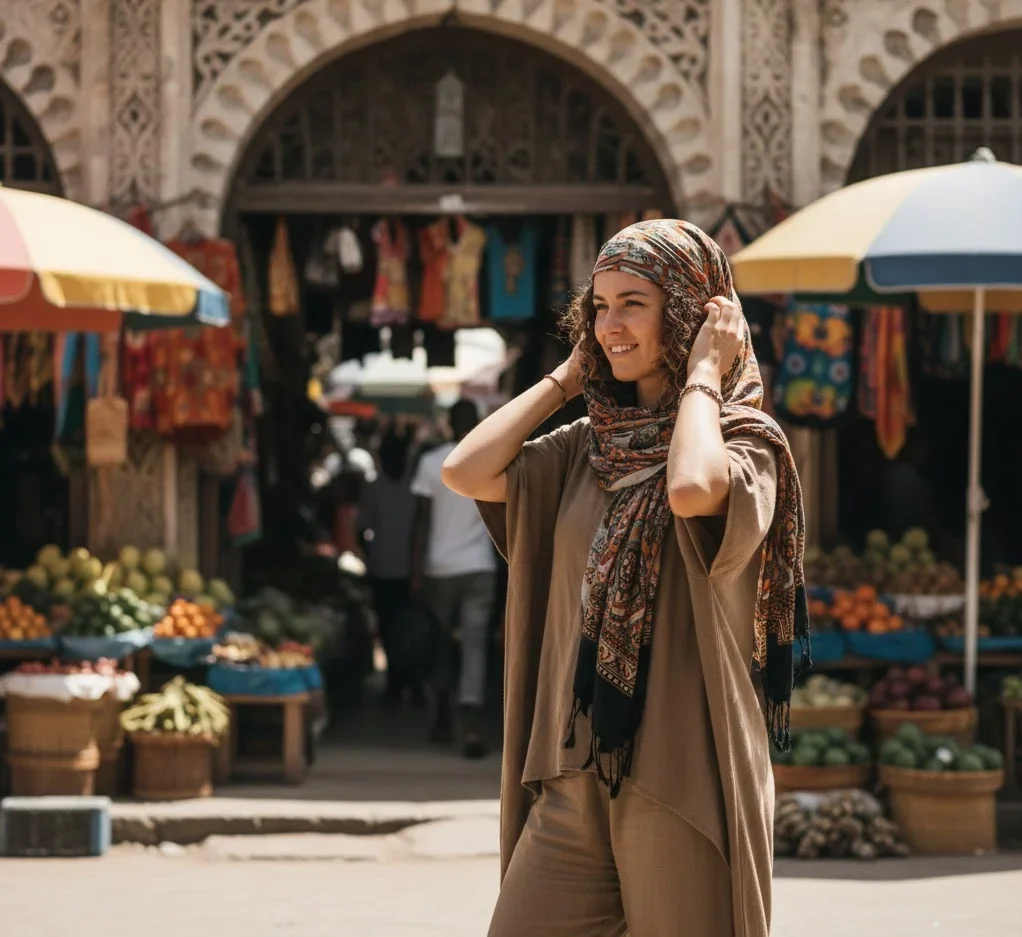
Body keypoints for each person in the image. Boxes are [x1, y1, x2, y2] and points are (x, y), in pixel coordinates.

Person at [442, 220, 809, 937]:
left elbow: (690, 488)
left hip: (678, 777)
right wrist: (567, 378)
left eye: (633, 304)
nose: (610, 325)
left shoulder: (746, 442)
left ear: (693, 312)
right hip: (572, 768)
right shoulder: (589, 447)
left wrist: (703, 376)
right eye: (599, 306)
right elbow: (466, 471)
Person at [411, 399, 497, 759]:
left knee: (441, 642)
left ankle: (443, 716)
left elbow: (421, 523)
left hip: (439, 567)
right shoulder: (491, 458)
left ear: (448, 423)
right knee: (475, 645)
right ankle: (472, 722)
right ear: (477, 422)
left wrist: (415, 571)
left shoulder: (432, 462)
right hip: (479, 566)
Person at [357, 428, 420, 705]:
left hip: (394, 570)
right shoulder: (410, 487)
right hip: (401, 571)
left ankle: (401, 682)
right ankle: (407, 682)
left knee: (396, 629)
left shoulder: (378, 488)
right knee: (404, 628)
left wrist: (370, 554)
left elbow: (361, 528)